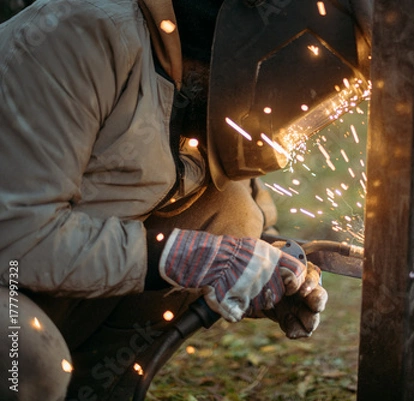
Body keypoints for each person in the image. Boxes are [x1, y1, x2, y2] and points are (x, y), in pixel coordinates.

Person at [0, 0, 371, 400]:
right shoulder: (82, 35)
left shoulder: (200, 87)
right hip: (14, 267)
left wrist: (267, 267)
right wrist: (175, 257)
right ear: (240, 52)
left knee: (234, 218)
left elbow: (243, 213)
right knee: (30, 360)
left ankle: (97, 391)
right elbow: (16, 239)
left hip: (45, 282)